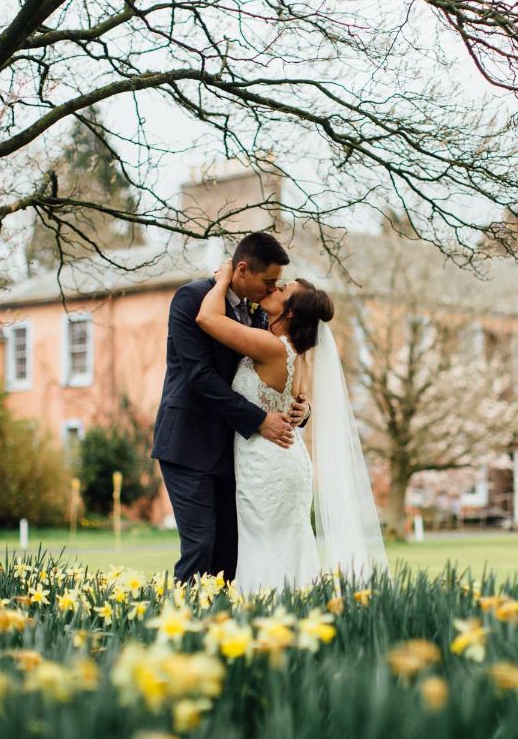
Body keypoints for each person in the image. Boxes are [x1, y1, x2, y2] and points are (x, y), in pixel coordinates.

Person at [196, 259, 387, 592]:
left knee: (265, 548)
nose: (273, 287)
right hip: (285, 460)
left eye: (282, 289)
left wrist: (224, 277)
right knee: (286, 548)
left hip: (267, 465)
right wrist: (306, 407)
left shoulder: (272, 347)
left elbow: (207, 318)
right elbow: (300, 401)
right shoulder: (301, 354)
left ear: (291, 313)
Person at [152, 233, 307, 583]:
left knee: (231, 551)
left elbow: (286, 363)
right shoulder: (191, 299)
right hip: (189, 443)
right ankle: (182, 628)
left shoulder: (260, 312)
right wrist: (258, 420)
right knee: (200, 544)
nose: (272, 291)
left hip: (236, 451)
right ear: (241, 269)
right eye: (268, 282)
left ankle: (221, 628)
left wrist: (301, 407)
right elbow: (199, 375)